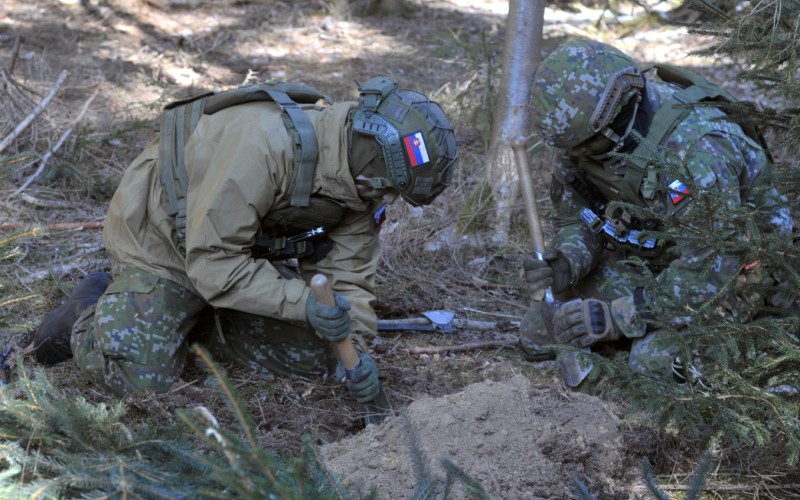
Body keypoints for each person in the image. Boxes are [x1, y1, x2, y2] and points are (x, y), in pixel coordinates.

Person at [32, 76, 458, 399]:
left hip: (239, 254)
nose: (386, 199)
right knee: (140, 375)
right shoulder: (263, 144)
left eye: (393, 193)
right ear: (370, 150)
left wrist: (353, 355)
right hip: (164, 243)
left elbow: (349, 280)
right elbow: (212, 262)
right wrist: (302, 301)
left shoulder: (359, 188)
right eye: (385, 187)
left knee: (316, 356)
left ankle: (189, 321)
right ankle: (90, 308)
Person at [519, 39, 793, 382]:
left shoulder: (697, 149)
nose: (576, 156)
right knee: (538, 332)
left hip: (736, 270)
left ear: (615, 119)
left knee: (652, 360)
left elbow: (711, 263)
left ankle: (765, 341)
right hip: (660, 256)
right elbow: (579, 217)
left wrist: (617, 317)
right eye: (572, 148)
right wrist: (568, 261)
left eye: (586, 146)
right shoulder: (583, 139)